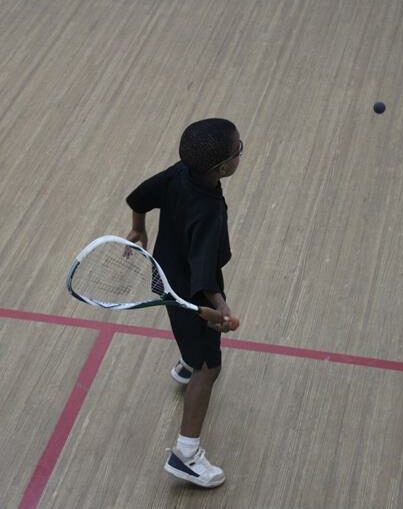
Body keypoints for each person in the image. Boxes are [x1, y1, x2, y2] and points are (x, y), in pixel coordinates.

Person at [125, 118, 242, 488]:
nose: (241, 153)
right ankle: (186, 455)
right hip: (191, 292)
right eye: (238, 150)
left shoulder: (179, 173)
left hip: (168, 277)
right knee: (210, 369)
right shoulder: (209, 211)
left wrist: (139, 227)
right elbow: (204, 274)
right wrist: (221, 308)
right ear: (222, 168)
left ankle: (186, 363)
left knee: (192, 344)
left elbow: (139, 197)